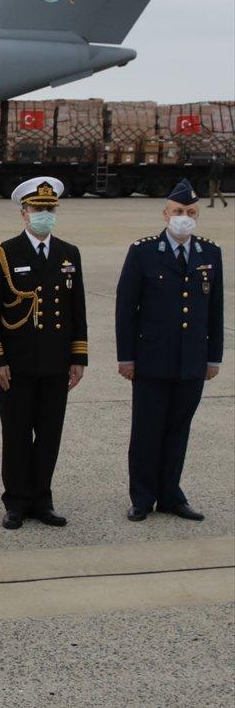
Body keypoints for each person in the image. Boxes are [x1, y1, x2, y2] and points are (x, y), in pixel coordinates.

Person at [0, 177, 86, 529]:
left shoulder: (69, 254)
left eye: (50, 209)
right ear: (23, 213)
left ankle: (43, 498)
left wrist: (78, 357)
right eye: (38, 209)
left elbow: (77, 310)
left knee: (50, 433)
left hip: (55, 362)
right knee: (16, 433)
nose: (45, 215)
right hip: (18, 363)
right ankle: (16, 501)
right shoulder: (4, 253)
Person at [116, 179, 223, 522]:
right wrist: (126, 357)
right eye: (178, 212)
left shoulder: (210, 253)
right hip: (151, 360)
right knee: (147, 430)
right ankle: (142, 497)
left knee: (179, 430)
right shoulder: (144, 251)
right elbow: (126, 308)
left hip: (191, 361)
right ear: (165, 214)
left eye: (191, 213)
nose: (184, 218)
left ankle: (171, 495)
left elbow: (215, 310)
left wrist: (213, 357)